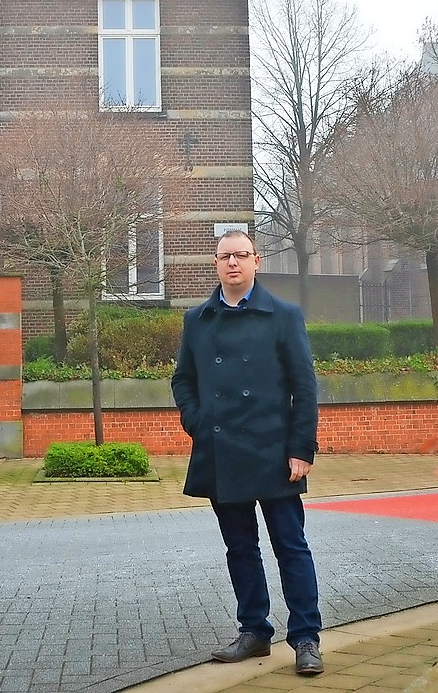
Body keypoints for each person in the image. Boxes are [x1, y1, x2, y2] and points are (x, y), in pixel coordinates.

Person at [171, 228, 324, 676]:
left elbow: (304, 387)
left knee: (291, 547)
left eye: (240, 255)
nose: (232, 263)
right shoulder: (197, 319)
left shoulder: (283, 315)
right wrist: (196, 422)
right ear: (216, 265)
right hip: (221, 451)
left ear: (256, 260)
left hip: (276, 452)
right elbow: (183, 379)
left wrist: (302, 448)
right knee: (240, 548)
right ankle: (254, 630)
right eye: (224, 257)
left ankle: (306, 638)